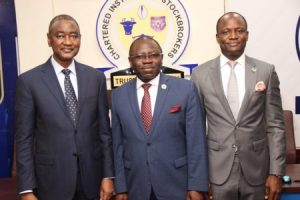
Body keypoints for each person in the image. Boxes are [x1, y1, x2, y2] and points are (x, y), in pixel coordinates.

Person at [15, 14, 114, 200]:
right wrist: (26, 189)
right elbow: (24, 139)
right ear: (49, 39)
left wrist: (108, 176)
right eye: (60, 36)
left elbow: (104, 133)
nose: (68, 42)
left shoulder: (96, 79)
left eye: (74, 36)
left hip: (93, 181)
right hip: (51, 182)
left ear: (80, 40)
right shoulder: (29, 82)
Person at [191, 12, 286, 200]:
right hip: (216, 173)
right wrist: (198, 178)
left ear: (247, 35)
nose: (233, 36)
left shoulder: (265, 71)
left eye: (239, 30)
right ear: (217, 37)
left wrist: (276, 173)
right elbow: (196, 130)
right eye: (226, 32)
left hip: (257, 171)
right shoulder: (199, 75)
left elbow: (275, 126)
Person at [111, 36, 208, 200]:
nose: (147, 61)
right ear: (131, 61)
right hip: (136, 186)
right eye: (140, 56)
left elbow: (196, 141)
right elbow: (117, 145)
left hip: (177, 184)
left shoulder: (185, 89)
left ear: (161, 58)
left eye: (153, 55)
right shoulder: (118, 95)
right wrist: (121, 187)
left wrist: (196, 185)